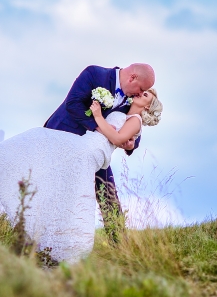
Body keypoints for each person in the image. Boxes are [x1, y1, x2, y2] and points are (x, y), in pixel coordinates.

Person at [0, 87, 163, 263]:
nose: (140, 92)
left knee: (41, 146)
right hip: (85, 145)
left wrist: (98, 117)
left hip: (88, 151)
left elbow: (118, 137)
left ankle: (57, 245)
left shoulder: (135, 121)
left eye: (145, 94)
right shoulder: (125, 109)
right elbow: (122, 137)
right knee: (42, 149)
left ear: (147, 107)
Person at [44, 64, 155, 232]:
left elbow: (133, 123)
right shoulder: (95, 74)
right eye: (141, 89)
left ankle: (119, 246)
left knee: (108, 194)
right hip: (64, 135)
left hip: (97, 151)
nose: (140, 94)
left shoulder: (132, 98)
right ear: (132, 78)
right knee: (55, 189)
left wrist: (132, 143)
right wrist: (100, 128)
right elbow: (73, 104)